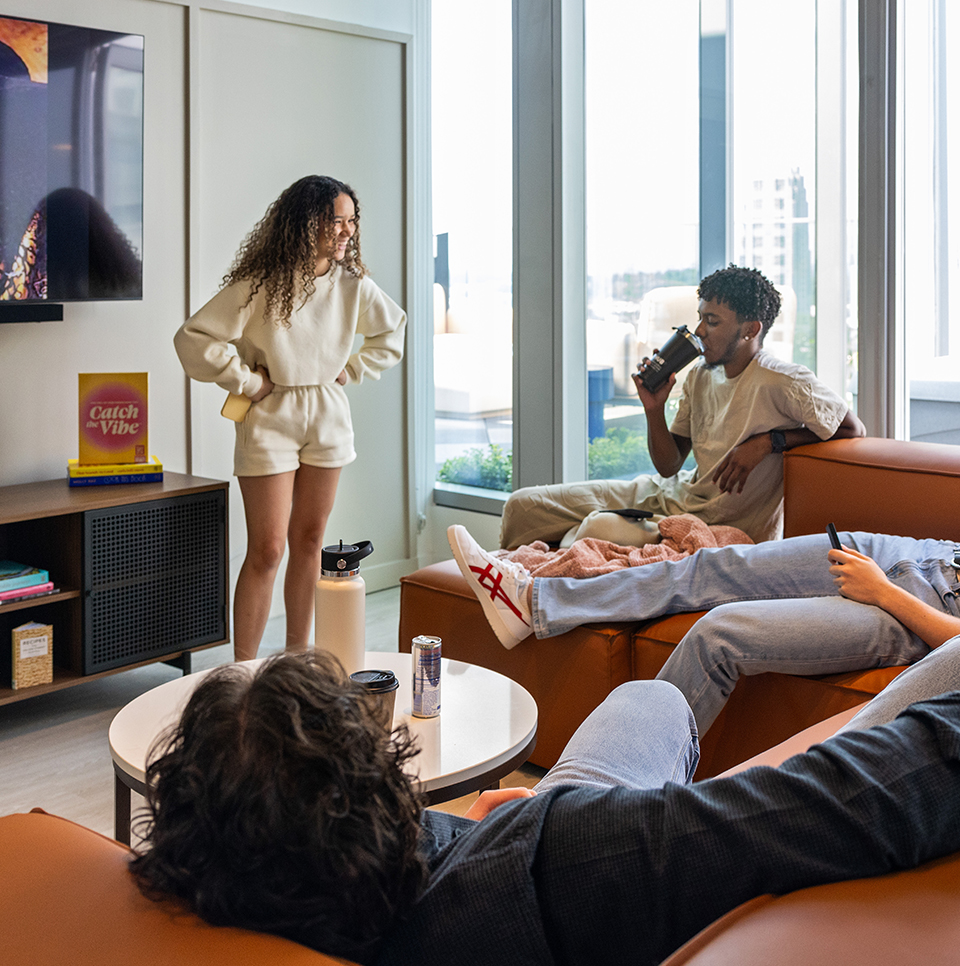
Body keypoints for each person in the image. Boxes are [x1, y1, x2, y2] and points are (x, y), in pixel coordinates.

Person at [129, 647, 960, 966]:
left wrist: (451, 830)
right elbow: (851, 796)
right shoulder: (580, 854)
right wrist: (524, 822)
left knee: (647, 703)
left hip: (486, 852)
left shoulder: (219, 890)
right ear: (380, 788)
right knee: (654, 702)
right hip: (544, 864)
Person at [174, 175, 406, 660]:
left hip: (327, 415)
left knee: (311, 542)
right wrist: (247, 381)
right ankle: (243, 670)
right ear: (306, 224)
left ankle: (296, 662)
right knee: (267, 549)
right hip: (270, 417)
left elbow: (393, 332)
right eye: (335, 221)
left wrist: (353, 368)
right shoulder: (261, 283)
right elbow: (193, 338)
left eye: (350, 221)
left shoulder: (353, 284)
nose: (347, 231)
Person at [447, 522, 960, 733]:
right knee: (713, 566)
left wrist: (882, 591)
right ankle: (533, 601)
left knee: (720, 632)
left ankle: (615, 797)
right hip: (910, 553)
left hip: (905, 615)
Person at [499, 265, 865, 549]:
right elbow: (669, 464)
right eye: (701, 317)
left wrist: (768, 442)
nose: (700, 330)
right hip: (667, 493)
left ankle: (540, 581)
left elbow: (853, 430)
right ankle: (508, 583)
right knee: (523, 505)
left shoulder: (784, 380)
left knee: (595, 527)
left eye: (712, 321)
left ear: (750, 330)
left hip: (714, 522)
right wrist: (653, 408)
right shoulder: (702, 375)